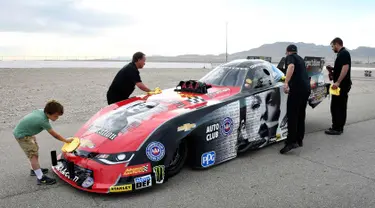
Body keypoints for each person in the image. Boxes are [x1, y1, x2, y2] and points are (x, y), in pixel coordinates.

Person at [13, 100, 73, 185]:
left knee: (34, 151)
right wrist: (66, 141)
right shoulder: (43, 121)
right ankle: (41, 178)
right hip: (23, 136)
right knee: (33, 155)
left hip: (27, 133)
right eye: (56, 116)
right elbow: (55, 135)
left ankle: (35, 170)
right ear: (48, 113)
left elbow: (30, 121)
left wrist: (30, 133)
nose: (57, 118)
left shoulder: (42, 111)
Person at [280, 44, 311, 154]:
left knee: (292, 115)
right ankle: (299, 140)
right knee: (301, 114)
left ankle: (291, 142)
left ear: (288, 51)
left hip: (297, 90)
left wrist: (286, 82)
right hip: (306, 89)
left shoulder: (290, 57)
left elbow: (291, 67)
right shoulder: (300, 59)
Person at [325, 37, 352, 135]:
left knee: (337, 106)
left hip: (341, 86)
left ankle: (337, 128)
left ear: (337, 44)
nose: (332, 49)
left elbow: (345, 68)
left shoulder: (344, 53)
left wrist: (338, 82)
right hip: (341, 85)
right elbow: (341, 68)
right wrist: (332, 69)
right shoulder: (341, 54)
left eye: (332, 46)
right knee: (338, 105)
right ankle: (337, 126)